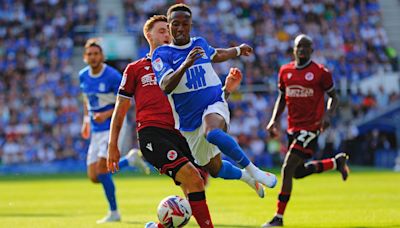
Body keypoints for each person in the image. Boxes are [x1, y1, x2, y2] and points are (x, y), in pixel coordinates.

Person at [152, 4, 277, 190]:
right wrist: (186, 64)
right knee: (215, 169)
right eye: (175, 24)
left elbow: (216, 54)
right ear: (169, 26)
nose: (180, 28)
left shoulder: (199, 43)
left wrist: (237, 50)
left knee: (213, 134)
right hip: (189, 123)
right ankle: (247, 178)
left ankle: (255, 171)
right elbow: (166, 85)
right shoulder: (162, 54)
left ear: (190, 25)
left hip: (214, 103)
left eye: (184, 24)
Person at [107, 15, 217, 228]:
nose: (167, 34)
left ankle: (159, 226)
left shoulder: (180, 66)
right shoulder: (135, 69)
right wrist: (112, 144)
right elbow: (120, 110)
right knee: (193, 179)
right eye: (161, 31)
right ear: (148, 35)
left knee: (196, 185)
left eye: (169, 30)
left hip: (182, 133)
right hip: (153, 134)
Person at [262, 34, 350, 227]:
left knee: (286, 169)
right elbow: (282, 98)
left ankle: (278, 217)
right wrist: (273, 120)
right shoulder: (285, 71)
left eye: (306, 47)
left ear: (312, 50)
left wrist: (327, 115)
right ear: (293, 49)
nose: (302, 50)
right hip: (293, 127)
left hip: (311, 127)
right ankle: (336, 163)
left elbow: (334, 97)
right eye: (298, 46)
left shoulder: (320, 72)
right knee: (298, 172)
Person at [79, 38, 149, 224]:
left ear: (102, 56)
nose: (93, 57)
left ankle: (114, 212)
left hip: (113, 126)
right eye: (90, 54)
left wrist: (106, 114)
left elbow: (126, 102)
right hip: (95, 129)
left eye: (96, 54)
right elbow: (87, 100)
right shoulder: (83, 76)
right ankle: (130, 160)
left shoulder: (112, 76)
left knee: (102, 171)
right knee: (94, 176)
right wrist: (86, 120)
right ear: (85, 57)